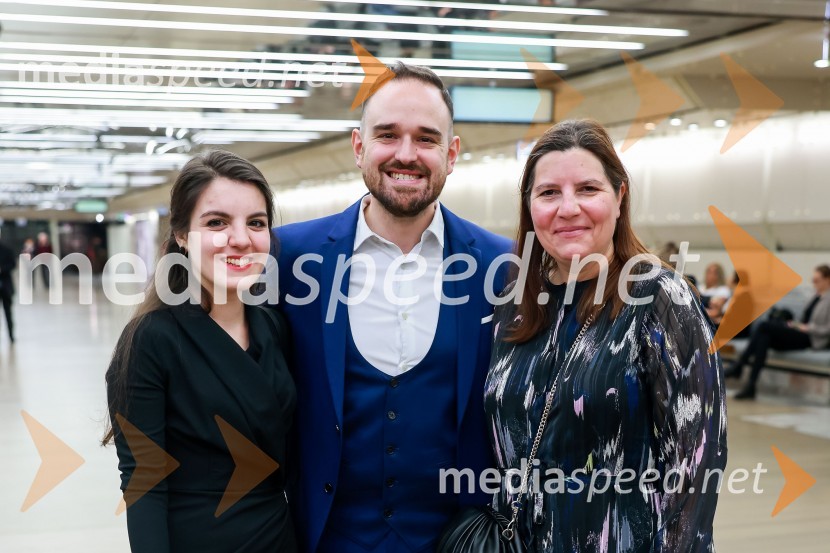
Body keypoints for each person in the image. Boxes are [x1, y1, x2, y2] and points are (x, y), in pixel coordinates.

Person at [274, 62, 512, 553]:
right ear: (359, 145)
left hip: (460, 539)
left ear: (452, 152)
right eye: (387, 135)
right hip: (325, 538)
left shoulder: (502, 265)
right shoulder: (292, 258)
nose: (406, 154)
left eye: (426, 138)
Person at [484, 120, 727, 552]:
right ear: (530, 208)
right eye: (548, 193)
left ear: (619, 197)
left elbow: (694, 473)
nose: (568, 208)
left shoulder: (660, 300)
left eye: (588, 189)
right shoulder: (514, 302)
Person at [103, 150, 297, 552]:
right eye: (217, 222)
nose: (241, 239)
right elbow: (144, 482)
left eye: (256, 223)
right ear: (181, 236)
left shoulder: (274, 327)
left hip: (278, 537)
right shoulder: (150, 340)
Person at [726, 264, 830, 399]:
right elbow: (804, 318)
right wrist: (795, 324)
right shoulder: (814, 297)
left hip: (812, 338)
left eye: (817, 280)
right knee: (764, 338)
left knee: (764, 326)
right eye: (813, 280)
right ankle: (751, 385)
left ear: (827, 280)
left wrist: (808, 328)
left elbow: (827, 329)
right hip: (799, 331)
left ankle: (739, 366)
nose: (814, 283)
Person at [0, 238, 15, 343]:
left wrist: (2, 269)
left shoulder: (6, 249)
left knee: (8, 313)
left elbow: (13, 264)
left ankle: (11, 335)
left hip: (5, 286)